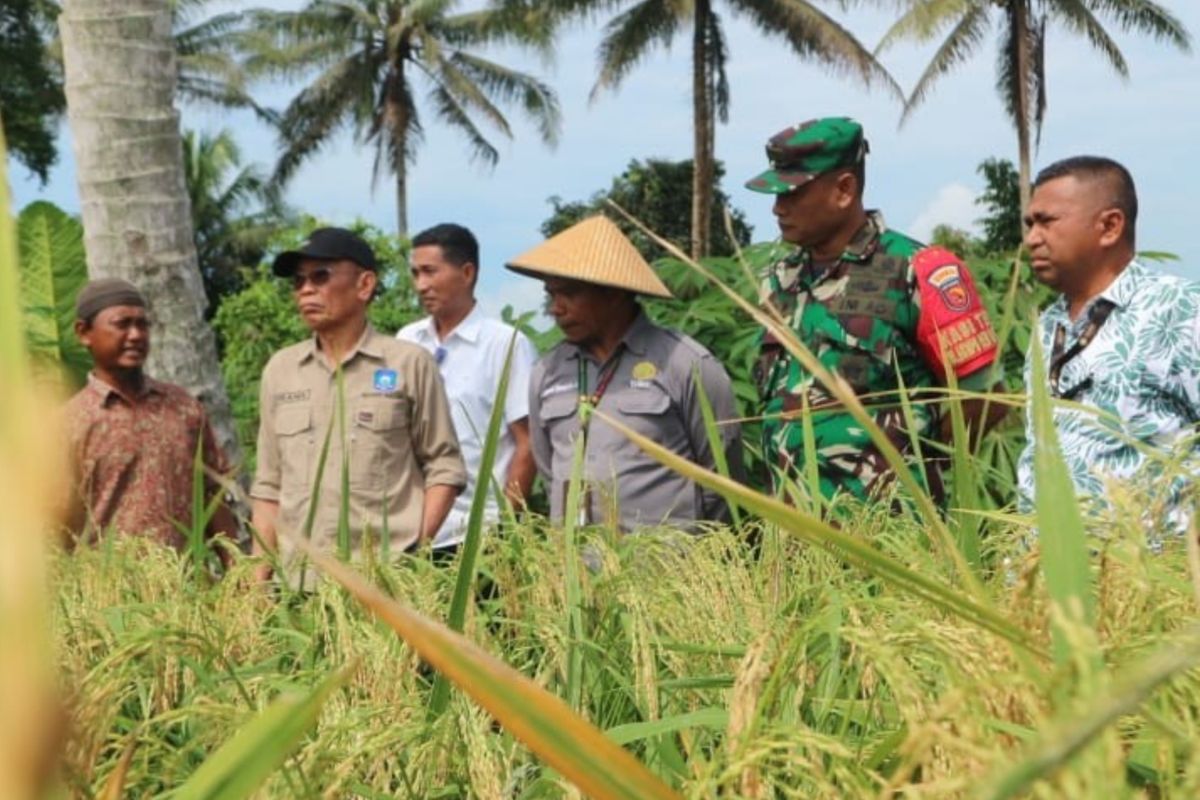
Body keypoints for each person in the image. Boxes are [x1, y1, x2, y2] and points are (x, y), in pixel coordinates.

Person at [745, 116, 1002, 504]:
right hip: (791, 535)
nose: (778, 208)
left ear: (844, 189)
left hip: (886, 536)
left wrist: (912, 467)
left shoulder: (918, 270)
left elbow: (985, 399)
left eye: (792, 194)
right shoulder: (777, 281)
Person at [251, 227, 467, 584]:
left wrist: (413, 553)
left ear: (364, 285)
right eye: (299, 281)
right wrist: (259, 580)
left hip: (384, 583)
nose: (306, 289)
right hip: (298, 586)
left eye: (320, 276)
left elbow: (445, 467)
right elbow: (268, 486)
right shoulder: (281, 370)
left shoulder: (408, 364)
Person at [508, 215, 743, 530]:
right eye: (552, 294)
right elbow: (549, 471)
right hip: (575, 569)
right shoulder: (546, 372)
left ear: (614, 293)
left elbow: (723, 481)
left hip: (667, 568)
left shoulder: (685, 364)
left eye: (570, 293)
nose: (556, 308)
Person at [1016, 156, 1200, 534]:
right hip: (1048, 580)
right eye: (1030, 224)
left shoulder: (1178, 311)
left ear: (1110, 227)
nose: (1032, 238)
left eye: (1047, 221)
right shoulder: (1046, 328)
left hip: (1154, 579)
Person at [64, 278, 237, 558]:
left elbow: (213, 496)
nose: (135, 335)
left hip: (188, 590)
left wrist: (238, 577)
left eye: (142, 324)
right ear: (84, 333)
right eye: (122, 324)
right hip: (109, 594)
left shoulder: (184, 408)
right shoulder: (68, 424)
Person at [397, 224, 538, 555]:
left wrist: (506, 527)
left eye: (430, 272)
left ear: (467, 272)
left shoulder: (505, 344)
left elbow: (528, 442)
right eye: (415, 273)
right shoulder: (407, 340)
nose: (421, 285)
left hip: (475, 534)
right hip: (409, 532)